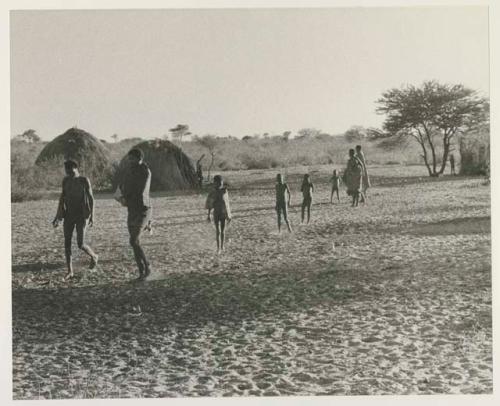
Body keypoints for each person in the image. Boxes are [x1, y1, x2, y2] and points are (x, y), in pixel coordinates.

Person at [52, 160, 98, 279]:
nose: (68, 173)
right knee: (67, 243)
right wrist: (57, 216)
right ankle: (70, 271)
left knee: (80, 243)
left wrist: (92, 215)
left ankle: (94, 256)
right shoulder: (66, 180)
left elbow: (91, 198)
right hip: (69, 215)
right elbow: (62, 198)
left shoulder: (84, 180)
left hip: (82, 215)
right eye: (66, 170)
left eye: (70, 170)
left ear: (76, 168)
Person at [120, 148, 152, 281]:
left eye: (132, 159)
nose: (130, 161)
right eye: (129, 159)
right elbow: (124, 186)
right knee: (135, 243)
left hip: (143, 210)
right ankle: (141, 272)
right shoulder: (130, 171)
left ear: (140, 158)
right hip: (132, 209)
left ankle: (147, 267)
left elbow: (139, 190)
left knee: (133, 240)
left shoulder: (145, 171)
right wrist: (122, 195)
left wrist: (125, 196)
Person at [206, 175, 232, 253]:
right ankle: (218, 248)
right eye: (218, 183)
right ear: (215, 183)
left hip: (223, 213)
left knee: (223, 231)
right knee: (218, 231)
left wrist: (229, 215)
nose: (220, 184)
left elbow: (227, 204)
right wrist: (208, 216)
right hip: (216, 213)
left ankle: (222, 246)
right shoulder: (212, 192)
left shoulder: (224, 191)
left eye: (221, 183)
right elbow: (209, 205)